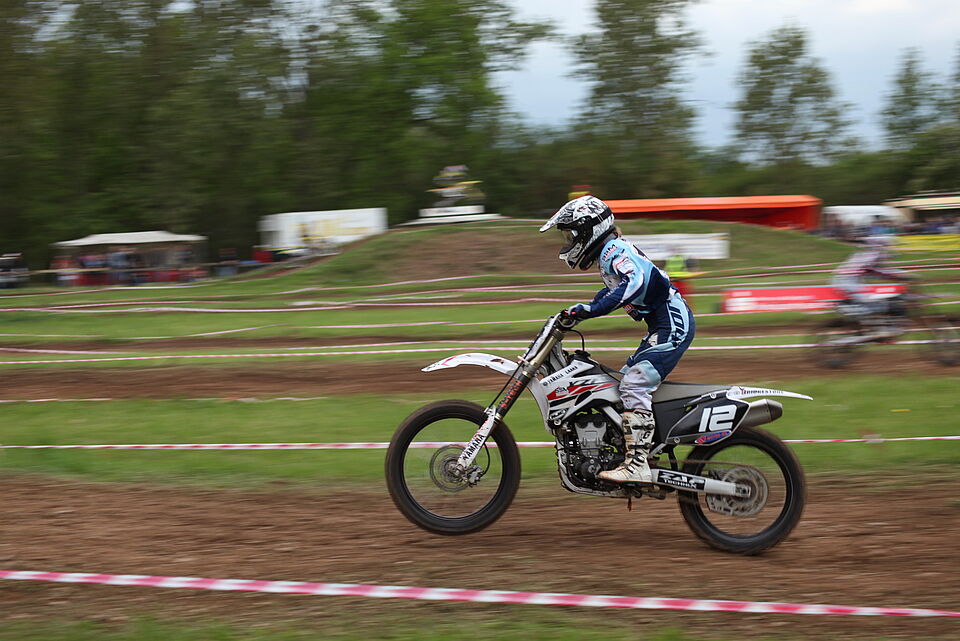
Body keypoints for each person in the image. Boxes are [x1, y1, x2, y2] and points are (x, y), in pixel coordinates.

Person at [539, 196, 695, 484]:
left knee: (634, 384)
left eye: (571, 235)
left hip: (671, 323)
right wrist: (580, 311)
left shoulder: (615, 251)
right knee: (618, 385)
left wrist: (590, 310)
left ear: (588, 230)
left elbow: (634, 283)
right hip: (662, 324)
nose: (568, 242)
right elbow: (611, 292)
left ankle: (637, 464)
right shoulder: (610, 254)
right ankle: (637, 449)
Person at [831, 235, 912, 337]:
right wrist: (902, 276)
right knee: (874, 303)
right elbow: (880, 271)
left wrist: (898, 276)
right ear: (880, 245)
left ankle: (870, 326)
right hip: (847, 282)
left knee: (875, 301)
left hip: (846, 281)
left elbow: (875, 273)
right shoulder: (873, 255)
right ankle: (871, 328)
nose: (890, 248)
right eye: (888, 245)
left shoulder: (866, 254)